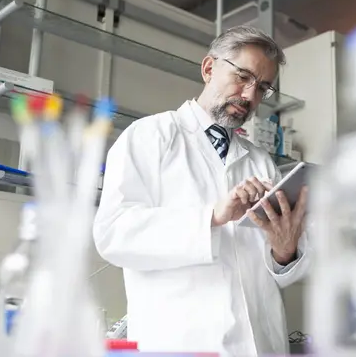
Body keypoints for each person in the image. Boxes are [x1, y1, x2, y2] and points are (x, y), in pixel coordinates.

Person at [93, 25, 310, 356]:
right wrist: (211, 216)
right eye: (243, 77)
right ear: (209, 68)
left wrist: (285, 251)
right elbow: (113, 234)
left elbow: (279, 274)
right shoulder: (150, 136)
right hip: (180, 344)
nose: (251, 96)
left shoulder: (260, 161)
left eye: (263, 87)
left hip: (261, 346)